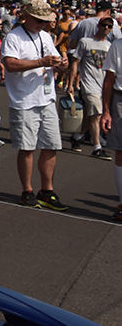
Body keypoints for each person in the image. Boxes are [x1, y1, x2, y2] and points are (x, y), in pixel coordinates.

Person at [0, 0, 69, 211]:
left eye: (45, 21)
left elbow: (54, 60)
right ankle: (27, 190)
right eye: (39, 20)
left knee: (51, 145)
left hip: (46, 98)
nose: (42, 24)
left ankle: (47, 190)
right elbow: (10, 65)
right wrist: (41, 63)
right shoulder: (14, 37)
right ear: (26, 16)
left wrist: (61, 65)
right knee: (27, 147)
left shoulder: (46, 36)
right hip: (24, 100)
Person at [67, 17, 113, 159]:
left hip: (103, 86)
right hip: (88, 84)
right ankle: (97, 148)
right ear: (98, 25)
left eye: (109, 26)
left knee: (91, 116)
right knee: (97, 114)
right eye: (104, 25)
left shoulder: (110, 45)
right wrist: (71, 84)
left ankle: (77, 136)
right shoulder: (85, 42)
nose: (106, 28)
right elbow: (76, 62)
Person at [99, 35, 122, 221]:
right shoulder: (117, 45)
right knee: (121, 153)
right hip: (120, 98)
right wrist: (106, 111)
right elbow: (109, 79)